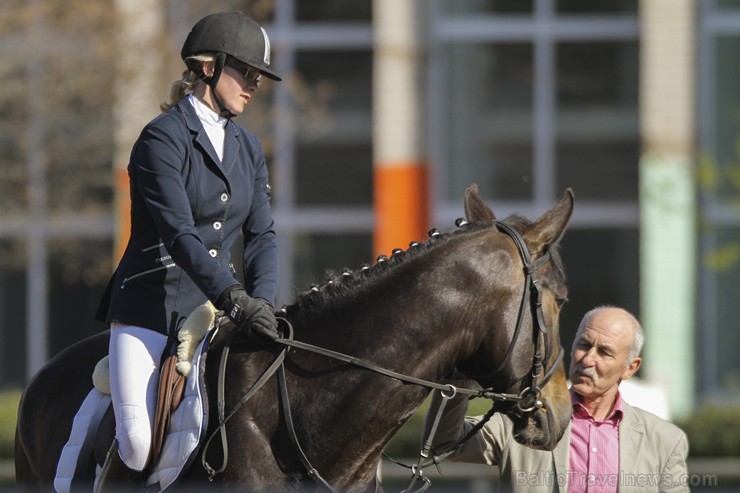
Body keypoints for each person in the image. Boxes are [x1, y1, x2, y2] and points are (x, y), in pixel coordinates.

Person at [94, 11, 281, 490]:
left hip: (217, 312)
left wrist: (263, 302)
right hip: (152, 310)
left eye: (258, 75)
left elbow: (262, 235)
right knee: (137, 443)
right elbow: (180, 235)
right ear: (209, 67)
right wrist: (235, 298)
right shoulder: (162, 138)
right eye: (246, 71)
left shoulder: (249, 148)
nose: (255, 83)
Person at [425, 306, 689, 492]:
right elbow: (444, 443)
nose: (587, 359)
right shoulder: (523, 419)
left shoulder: (665, 441)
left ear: (630, 368)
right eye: (584, 345)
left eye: (604, 352)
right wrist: (459, 370)